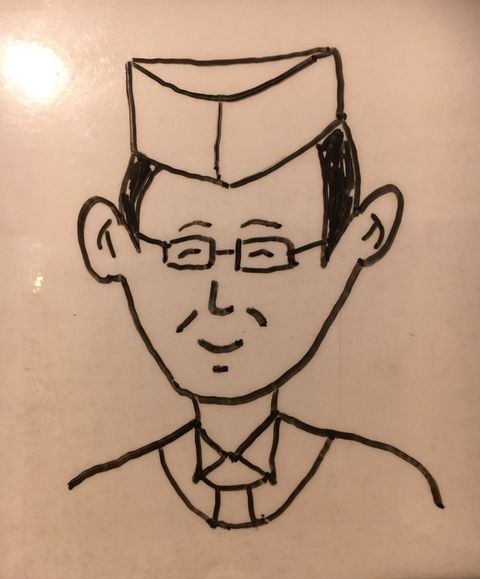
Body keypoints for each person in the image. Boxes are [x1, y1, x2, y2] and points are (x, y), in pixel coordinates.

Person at [69, 47, 443, 529]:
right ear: (112, 246)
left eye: (265, 255)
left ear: (357, 243)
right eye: (188, 253)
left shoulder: (392, 492)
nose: (220, 301)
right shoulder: (95, 505)